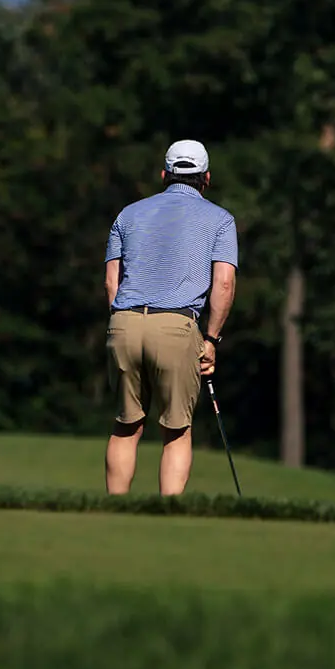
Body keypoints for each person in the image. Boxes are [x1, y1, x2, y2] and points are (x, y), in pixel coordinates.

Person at [102, 139, 238, 496]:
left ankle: (113, 511)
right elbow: (224, 284)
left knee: (126, 425)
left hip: (125, 322)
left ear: (164, 175)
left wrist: (122, 324)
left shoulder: (127, 214)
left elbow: (111, 282)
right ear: (206, 178)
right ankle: (169, 514)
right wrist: (211, 340)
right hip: (177, 326)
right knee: (176, 431)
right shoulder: (221, 220)